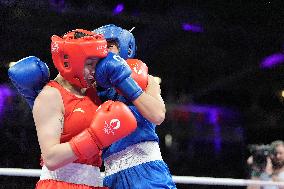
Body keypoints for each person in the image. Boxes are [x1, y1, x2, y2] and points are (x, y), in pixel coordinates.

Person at [9, 29, 139, 189]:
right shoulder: (51, 96)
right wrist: (94, 137)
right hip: (60, 184)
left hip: (95, 183)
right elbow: (51, 158)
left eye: (98, 63)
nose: (95, 70)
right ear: (72, 61)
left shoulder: (92, 91)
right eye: (90, 63)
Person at [94, 24, 176, 189]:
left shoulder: (146, 80)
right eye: (98, 48)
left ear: (126, 49)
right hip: (111, 176)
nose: (103, 53)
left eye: (109, 46)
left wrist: (126, 83)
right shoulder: (92, 89)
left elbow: (158, 115)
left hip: (147, 171)